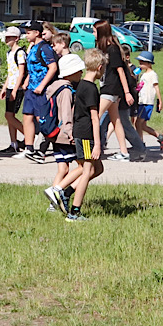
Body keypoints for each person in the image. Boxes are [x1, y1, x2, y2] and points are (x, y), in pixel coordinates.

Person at [59, 47, 104, 221]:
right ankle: (74, 212)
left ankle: (67, 192)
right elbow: (95, 118)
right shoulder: (91, 89)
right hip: (86, 134)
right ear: (100, 67)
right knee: (87, 170)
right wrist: (97, 144)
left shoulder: (81, 85)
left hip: (80, 131)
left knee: (98, 169)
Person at [94, 20, 146, 162]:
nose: (93, 34)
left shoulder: (113, 49)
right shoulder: (104, 48)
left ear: (101, 32)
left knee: (95, 117)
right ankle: (124, 152)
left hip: (111, 89)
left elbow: (121, 71)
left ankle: (91, 147)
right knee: (116, 121)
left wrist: (127, 93)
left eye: (94, 31)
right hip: (108, 88)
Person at [40, 53, 83, 213]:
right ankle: (57, 191)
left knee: (63, 169)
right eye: (78, 70)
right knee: (84, 167)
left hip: (54, 134)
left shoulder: (53, 87)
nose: (81, 73)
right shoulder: (66, 90)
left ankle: (53, 204)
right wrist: (70, 133)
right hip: (64, 135)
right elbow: (66, 115)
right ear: (71, 73)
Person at [20, 21, 58, 161]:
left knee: (42, 119)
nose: (26, 35)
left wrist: (42, 85)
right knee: (27, 116)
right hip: (31, 89)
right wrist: (27, 81)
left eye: (28, 32)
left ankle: (56, 146)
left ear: (37, 33)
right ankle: (29, 147)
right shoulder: (32, 48)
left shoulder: (44, 48)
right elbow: (32, 68)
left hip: (42, 90)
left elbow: (53, 67)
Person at [132, 51, 163, 149]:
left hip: (147, 102)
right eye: (139, 62)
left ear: (149, 63)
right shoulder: (143, 75)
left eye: (142, 63)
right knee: (143, 125)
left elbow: (156, 87)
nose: (140, 65)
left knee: (138, 123)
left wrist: (160, 101)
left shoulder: (152, 74)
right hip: (141, 101)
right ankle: (160, 137)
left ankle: (140, 144)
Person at [1, 26, 28, 155]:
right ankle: (14, 143)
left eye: (9, 37)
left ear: (16, 38)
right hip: (10, 86)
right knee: (10, 116)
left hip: (17, 88)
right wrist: (4, 87)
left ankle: (29, 136)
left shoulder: (20, 53)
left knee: (9, 115)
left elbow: (21, 72)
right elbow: (10, 72)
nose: (7, 39)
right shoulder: (9, 53)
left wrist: (15, 90)